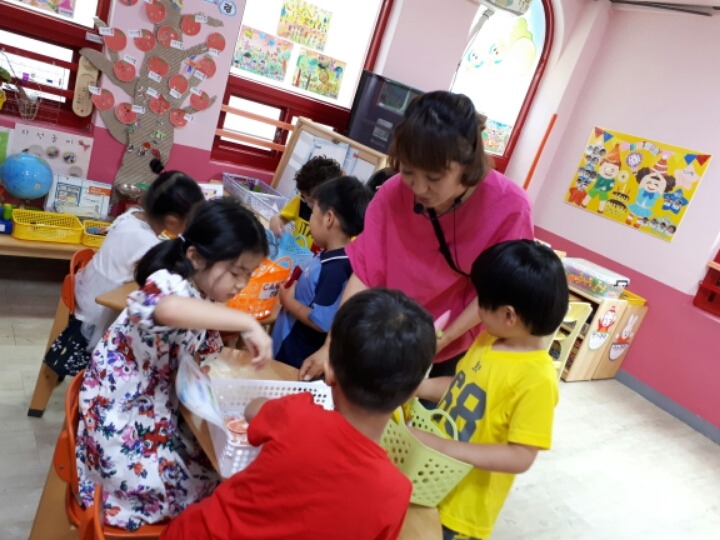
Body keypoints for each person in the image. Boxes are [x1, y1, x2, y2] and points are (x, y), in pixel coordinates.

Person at [160, 288, 437, 540]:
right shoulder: (396, 493)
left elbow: (253, 409)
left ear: (329, 370)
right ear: (413, 392)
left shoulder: (297, 413)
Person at [300, 90, 534, 381]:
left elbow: (498, 292)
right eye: (409, 172)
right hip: (388, 331)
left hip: (456, 342)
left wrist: (442, 341)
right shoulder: (392, 193)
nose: (419, 189)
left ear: (468, 166)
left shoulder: (509, 207)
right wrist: (332, 345)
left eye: (434, 178)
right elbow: (365, 274)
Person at [75, 198, 273, 531]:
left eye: (248, 275)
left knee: (211, 467)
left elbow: (196, 345)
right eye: (236, 272)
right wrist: (246, 323)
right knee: (206, 490)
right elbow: (165, 309)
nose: (241, 284)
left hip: (153, 405)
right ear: (195, 256)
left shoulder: (202, 293)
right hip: (121, 416)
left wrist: (198, 367)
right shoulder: (169, 282)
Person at [414, 239, 568, 540]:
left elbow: (520, 455)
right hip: (433, 478)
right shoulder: (488, 340)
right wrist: (417, 387)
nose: (477, 309)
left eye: (482, 302)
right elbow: (461, 388)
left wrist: (442, 446)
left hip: (461, 509)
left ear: (509, 316)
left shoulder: (537, 380)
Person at [43, 159, 205, 377]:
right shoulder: (146, 243)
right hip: (98, 311)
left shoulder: (130, 216)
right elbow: (162, 277)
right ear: (172, 221)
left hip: (86, 291)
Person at [272, 176, 372, 368]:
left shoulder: (337, 269)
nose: (310, 219)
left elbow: (322, 321)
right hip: (286, 344)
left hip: (294, 356)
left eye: (312, 212)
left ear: (328, 218)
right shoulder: (330, 254)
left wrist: (288, 301)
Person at [267, 155, 343, 248]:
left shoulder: (339, 218)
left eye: (312, 201)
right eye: (304, 198)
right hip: (294, 253)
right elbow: (282, 217)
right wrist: (276, 220)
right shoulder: (300, 201)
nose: (308, 204)